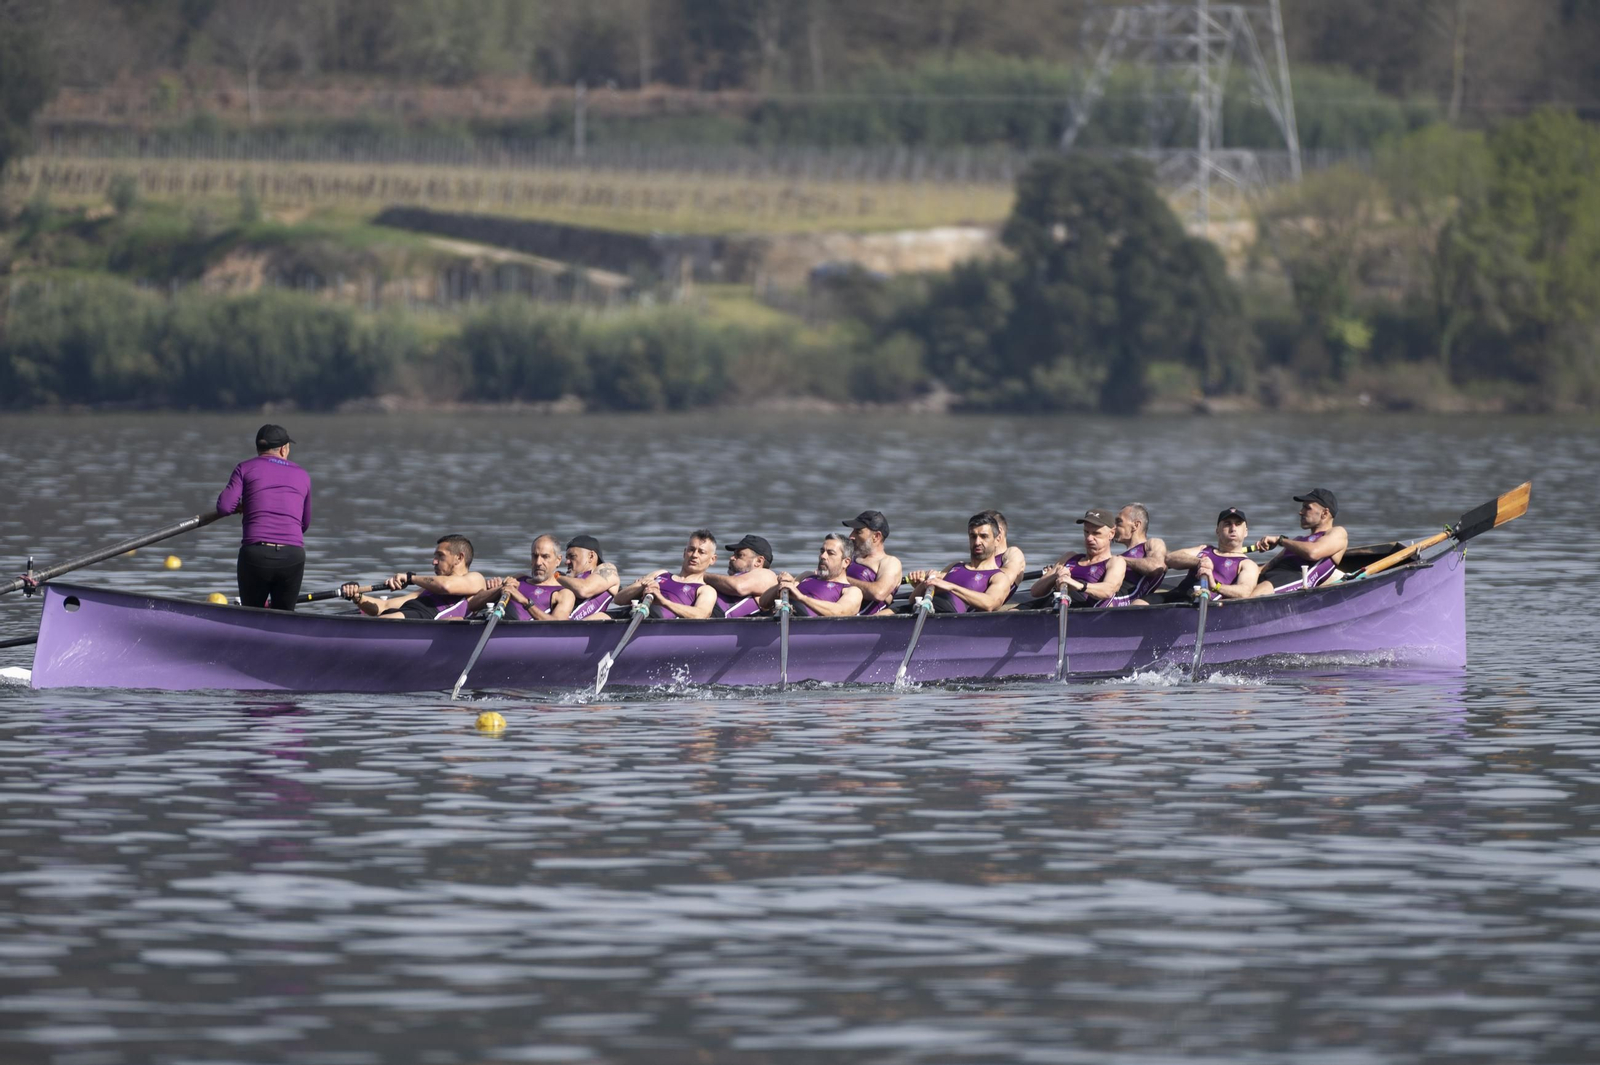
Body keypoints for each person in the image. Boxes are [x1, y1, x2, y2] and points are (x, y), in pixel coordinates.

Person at [216, 424, 312, 610]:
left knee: (252, 616)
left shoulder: (244, 468)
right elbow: (304, 524)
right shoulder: (302, 474)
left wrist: (243, 503)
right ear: (284, 449)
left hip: (256, 557)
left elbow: (224, 508)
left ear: (258, 448)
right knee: (284, 619)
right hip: (292, 555)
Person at [341, 535, 486, 619]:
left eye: (440, 556)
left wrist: (411, 578)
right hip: (406, 615)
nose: (433, 562)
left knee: (382, 621)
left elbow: (446, 586)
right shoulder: (428, 590)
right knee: (384, 615)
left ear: (459, 558)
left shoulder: (475, 579)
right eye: (434, 557)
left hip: (421, 620)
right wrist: (357, 597)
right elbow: (382, 606)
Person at [905, 512, 1017, 613]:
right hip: (921, 608)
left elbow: (990, 604)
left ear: (997, 540)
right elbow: (911, 600)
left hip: (947, 614)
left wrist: (951, 587)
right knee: (889, 612)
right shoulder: (955, 566)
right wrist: (924, 584)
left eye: (984, 536)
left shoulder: (998, 577)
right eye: (973, 536)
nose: (977, 542)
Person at [1248, 488, 1349, 596]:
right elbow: (1263, 569)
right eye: (1302, 507)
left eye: (1307, 508)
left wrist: (1280, 540)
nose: (1301, 512)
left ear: (1324, 513)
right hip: (1272, 576)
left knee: (1253, 595)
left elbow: (1313, 553)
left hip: (1296, 577)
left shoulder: (1338, 532)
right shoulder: (1297, 540)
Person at [1025, 508, 1128, 608]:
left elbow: (1108, 591)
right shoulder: (1070, 557)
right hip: (1055, 602)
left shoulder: (1115, 561)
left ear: (1111, 534)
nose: (1089, 538)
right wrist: (1055, 575)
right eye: (1086, 532)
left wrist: (1078, 585)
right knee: (1016, 610)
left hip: (1083, 608)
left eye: (1096, 533)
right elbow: (1035, 591)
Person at [465, 535, 575, 621]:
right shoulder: (519, 578)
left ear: (558, 560)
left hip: (514, 629)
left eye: (545, 557)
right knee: (456, 619)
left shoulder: (564, 593)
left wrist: (524, 601)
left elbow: (557, 625)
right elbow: (472, 605)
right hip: (489, 620)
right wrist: (498, 590)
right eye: (535, 556)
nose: (538, 562)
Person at [613, 530, 719, 619]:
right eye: (691, 550)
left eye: (701, 552)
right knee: (598, 617)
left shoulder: (706, 590)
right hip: (630, 613)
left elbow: (701, 614)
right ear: (684, 552)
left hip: (654, 620)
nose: (694, 555)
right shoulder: (660, 573)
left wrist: (663, 602)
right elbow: (618, 599)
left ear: (712, 559)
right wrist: (642, 586)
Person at [1163, 508, 1260, 602]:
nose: (1233, 528)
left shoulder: (1247, 564)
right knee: (1147, 602)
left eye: (1238, 524)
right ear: (1217, 530)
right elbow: (1170, 558)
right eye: (1227, 524)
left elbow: (1244, 592)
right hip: (1174, 595)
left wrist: (1214, 585)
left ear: (1246, 532)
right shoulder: (1204, 549)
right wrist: (1199, 561)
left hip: (1198, 602)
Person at [759, 534, 864, 617]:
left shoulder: (852, 591)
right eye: (822, 551)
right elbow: (763, 602)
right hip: (774, 618)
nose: (823, 556)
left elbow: (841, 612)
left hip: (800, 625)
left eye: (830, 553)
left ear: (846, 562)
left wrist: (802, 598)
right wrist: (781, 585)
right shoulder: (807, 576)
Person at [841, 511, 903, 616]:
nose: (851, 536)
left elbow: (879, 593)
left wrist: (841, 579)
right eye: (852, 531)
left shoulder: (889, 562)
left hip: (855, 620)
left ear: (876, 536)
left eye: (858, 532)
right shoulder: (849, 558)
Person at [1106, 503, 1168, 607]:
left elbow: (1156, 566)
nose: (1114, 527)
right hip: (1109, 595)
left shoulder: (1152, 543)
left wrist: (1120, 560)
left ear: (1136, 525)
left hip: (1120, 602)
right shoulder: (1120, 556)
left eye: (1119, 522)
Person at [705, 534, 780, 618]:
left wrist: (700, 575)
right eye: (734, 554)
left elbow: (738, 587)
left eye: (739, 555)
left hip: (714, 616)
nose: (732, 558)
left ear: (759, 561)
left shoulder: (767, 575)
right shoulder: (738, 579)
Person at [555, 535, 620, 620]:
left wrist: (556, 576)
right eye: (567, 558)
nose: (566, 562)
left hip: (572, 629)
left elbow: (584, 589)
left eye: (572, 556)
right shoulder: (567, 580)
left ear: (591, 556)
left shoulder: (607, 570)